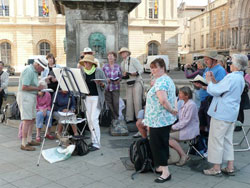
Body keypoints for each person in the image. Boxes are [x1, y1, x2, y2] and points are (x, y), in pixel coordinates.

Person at [203, 54, 248, 176]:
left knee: (216, 140)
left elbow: (215, 91)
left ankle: (216, 167)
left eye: (232, 63)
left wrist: (208, 82)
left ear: (236, 65)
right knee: (227, 140)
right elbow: (222, 88)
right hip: (231, 113)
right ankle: (230, 166)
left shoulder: (232, 77)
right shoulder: (240, 77)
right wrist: (213, 81)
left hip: (222, 113)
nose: (230, 65)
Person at [144, 58, 177, 183]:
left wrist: (171, 110)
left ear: (163, 67)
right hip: (162, 119)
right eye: (151, 68)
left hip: (159, 119)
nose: (153, 70)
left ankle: (165, 172)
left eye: (155, 67)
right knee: (161, 143)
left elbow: (163, 100)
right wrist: (173, 110)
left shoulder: (161, 81)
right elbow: (172, 97)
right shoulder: (166, 79)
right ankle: (161, 167)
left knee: (158, 145)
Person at [17, 57, 48, 151]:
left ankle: (29, 140)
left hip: (30, 96)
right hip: (25, 96)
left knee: (31, 119)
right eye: (42, 68)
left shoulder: (33, 71)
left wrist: (38, 90)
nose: (42, 70)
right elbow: (24, 87)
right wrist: (38, 88)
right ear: (37, 65)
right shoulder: (28, 70)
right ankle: (24, 143)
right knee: (27, 120)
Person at [193, 51, 226, 134]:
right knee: (202, 124)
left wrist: (202, 86)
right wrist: (199, 84)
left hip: (211, 101)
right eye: (204, 59)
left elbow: (218, 89)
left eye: (207, 59)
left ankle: (209, 144)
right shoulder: (208, 68)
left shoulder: (220, 70)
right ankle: (202, 144)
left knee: (210, 125)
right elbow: (206, 82)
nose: (205, 61)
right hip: (203, 100)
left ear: (214, 60)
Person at [79, 54, 107, 151]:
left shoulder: (98, 71)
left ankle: (97, 143)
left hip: (97, 98)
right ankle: (93, 140)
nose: (85, 64)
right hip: (87, 98)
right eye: (84, 62)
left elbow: (105, 85)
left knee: (94, 119)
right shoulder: (83, 72)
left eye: (86, 62)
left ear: (91, 63)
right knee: (89, 120)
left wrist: (101, 83)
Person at [169, 86, 199, 166]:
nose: (178, 95)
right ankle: (174, 155)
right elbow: (179, 116)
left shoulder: (191, 105)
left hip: (189, 130)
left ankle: (183, 155)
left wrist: (172, 127)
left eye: (180, 93)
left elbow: (185, 121)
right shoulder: (183, 102)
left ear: (187, 95)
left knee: (168, 137)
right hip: (184, 127)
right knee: (164, 133)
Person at [119, 47, 144, 123]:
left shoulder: (133, 60)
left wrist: (135, 73)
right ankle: (129, 118)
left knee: (137, 100)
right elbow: (123, 73)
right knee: (129, 100)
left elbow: (141, 69)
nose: (122, 54)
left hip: (136, 81)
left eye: (124, 52)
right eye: (121, 53)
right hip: (128, 82)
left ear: (127, 53)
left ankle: (138, 118)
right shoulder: (122, 63)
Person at [102, 51, 122, 124]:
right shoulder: (104, 66)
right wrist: (106, 79)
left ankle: (116, 117)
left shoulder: (118, 66)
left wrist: (118, 80)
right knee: (109, 103)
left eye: (112, 56)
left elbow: (120, 76)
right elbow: (102, 76)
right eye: (109, 56)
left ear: (115, 58)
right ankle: (113, 118)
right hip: (107, 87)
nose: (110, 57)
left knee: (116, 103)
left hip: (115, 87)